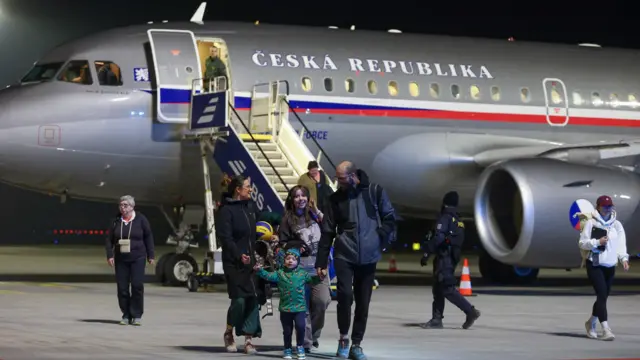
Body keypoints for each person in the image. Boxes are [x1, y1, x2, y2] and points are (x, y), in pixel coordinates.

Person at [315, 161, 397, 360]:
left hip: (369, 256)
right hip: (344, 254)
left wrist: (380, 235)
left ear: (353, 176)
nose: (338, 182)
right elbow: (327, 231)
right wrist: (321, 261)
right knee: (344, 296)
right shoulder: (334, 199)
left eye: (341, 179)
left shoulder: (374, 192)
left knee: (363, 302)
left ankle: (357, 344)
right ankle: (344, 338)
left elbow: (390, 218)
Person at [279, 185, 331, 353]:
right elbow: (283, 243)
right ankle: (306, 342)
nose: (300, 199)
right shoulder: (287, 219)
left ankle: (313, 334)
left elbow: (330, 227)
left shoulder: (315, 215)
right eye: (296, 196)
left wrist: (316, 209)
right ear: (291, 200)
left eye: (303, 196)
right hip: (299, 269)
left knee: (322, 301)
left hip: (319, 266)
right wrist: (295, 247)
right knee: (303, 307)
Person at [419, 191, 481, 330]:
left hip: (444, 257)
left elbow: (438, 238)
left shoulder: (445, 218)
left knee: (446, 288)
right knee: (438, 288)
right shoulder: (458, 221)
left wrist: (427, 253)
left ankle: (470, 311)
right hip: (452, 257)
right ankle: (436, 319)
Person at [217, 175, 263, 354]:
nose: (250, 189)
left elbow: (256, 230)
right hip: (234, 263)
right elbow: (226, 238)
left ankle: (249, 339)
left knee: (252, 298)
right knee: (239, 300)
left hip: (251, 261)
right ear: (238, 189)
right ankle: (229, 332)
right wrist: (239, 255)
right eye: (247, 186)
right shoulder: (226, 211)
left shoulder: (250, 207)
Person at [254, 248, 322, 360]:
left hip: (299, 308)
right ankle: (287, 348)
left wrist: (320, 277)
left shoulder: (302, 274)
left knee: (301, 327)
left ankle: (300, 346)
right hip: (285, 309)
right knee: (287, 331)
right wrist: (260, 270)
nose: (290, 261)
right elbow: (268, 276)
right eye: (288, 258)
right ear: (284, 260)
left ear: (298, 261)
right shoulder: (280, 273)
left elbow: (312, 280)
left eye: (293, 259)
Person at [578, 195, 630, 341]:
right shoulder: (591, 223)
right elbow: (582, 243)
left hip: (610, 264)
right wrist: (597, 241)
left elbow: (621, 244)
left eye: (610, 206)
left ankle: (591, 323)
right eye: (604, 206)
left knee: (603, 297)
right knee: (601, 295)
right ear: (598, 207)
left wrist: (624, 258)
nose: (607, 209)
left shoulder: (616, 225)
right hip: (594, 263)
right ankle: (606, 329)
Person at [105, 195, 155, 326]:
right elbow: (109, 239)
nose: (122, 207)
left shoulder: (141, 219)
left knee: (137, 285)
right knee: (122, 288)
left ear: (132, 206)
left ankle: (137, 314)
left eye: (125, 205)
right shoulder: (116, 220)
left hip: (138, 257)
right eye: (121, 205)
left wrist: (151, 255)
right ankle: (126, 314)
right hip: (121, 258)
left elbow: (148, 236)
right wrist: (110, 255)